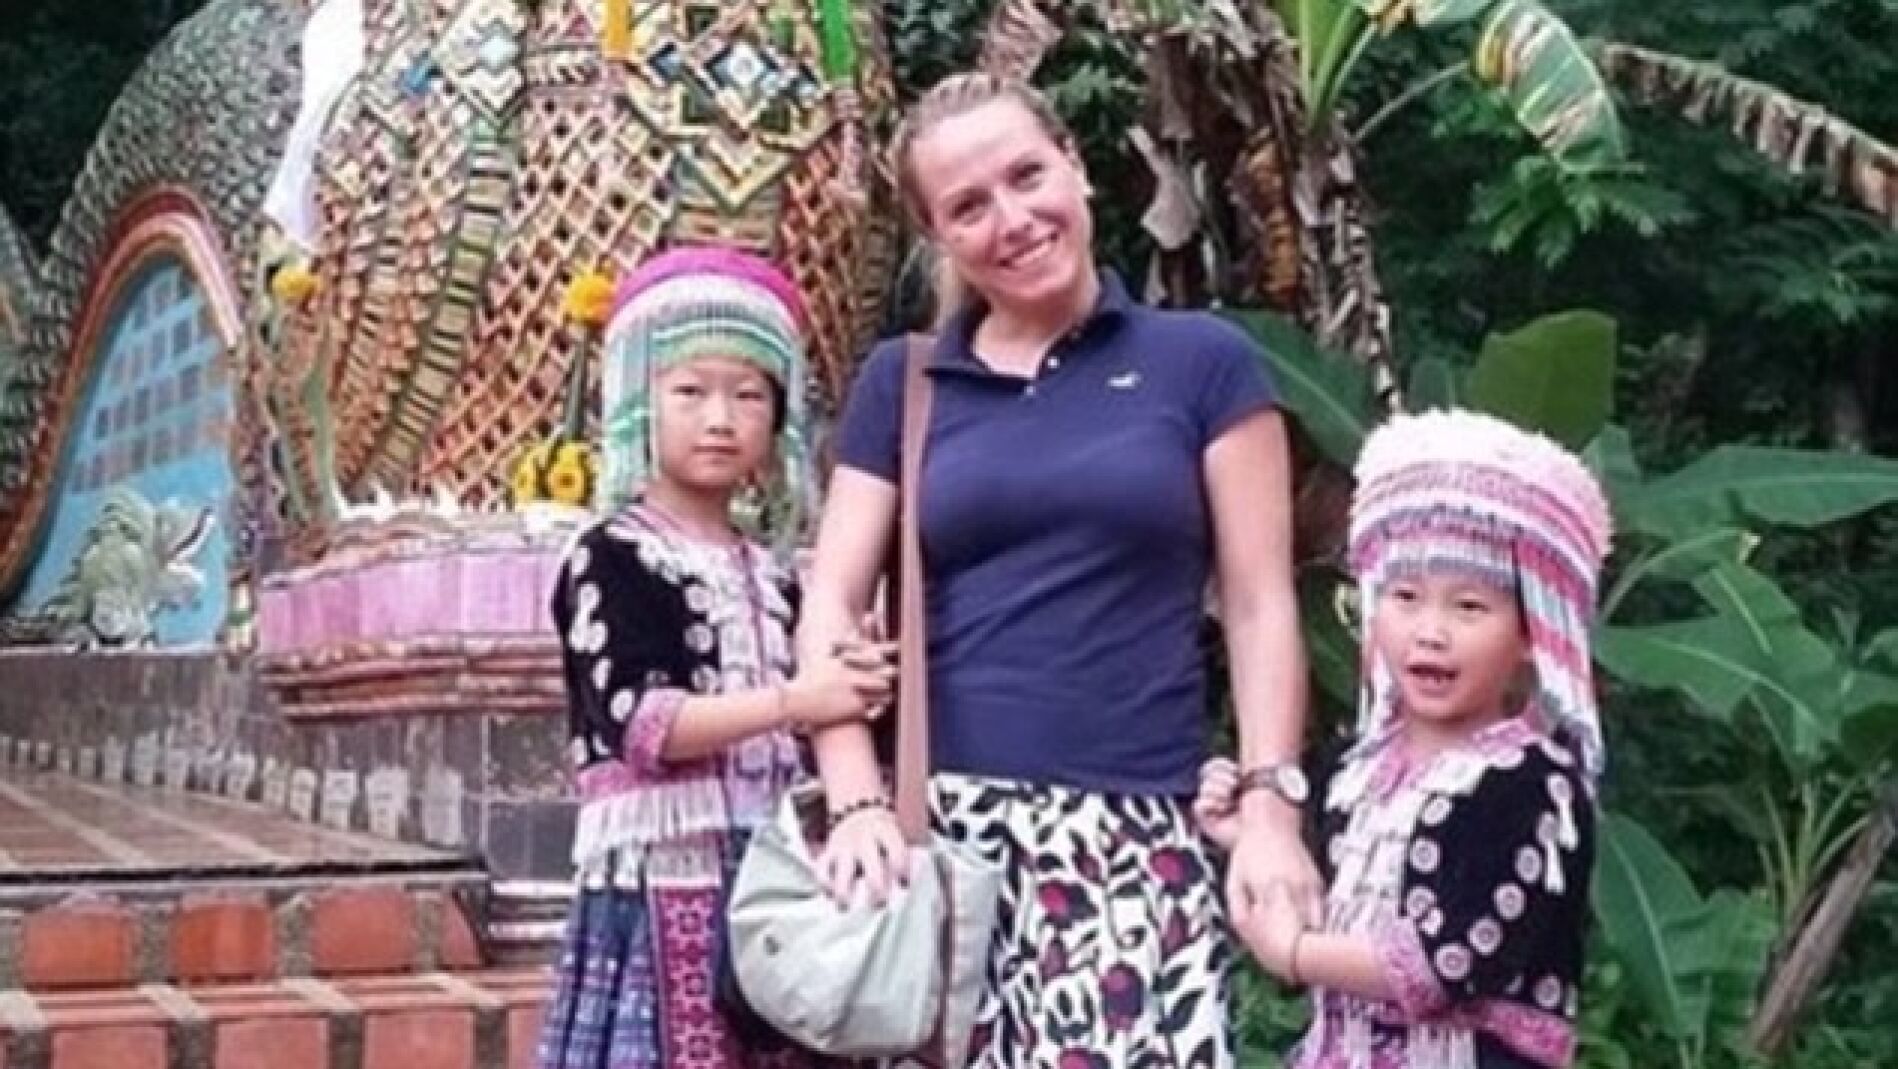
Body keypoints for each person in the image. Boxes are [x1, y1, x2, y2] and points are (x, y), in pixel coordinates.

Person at [798, 72, 1317, 1067]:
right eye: (966, 206)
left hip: (1136, 845)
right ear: (937, 236)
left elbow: (1258, 604)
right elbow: (831, 596)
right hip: (940, 856)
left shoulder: (1201, 362)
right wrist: (855, 795)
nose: (1011, 219)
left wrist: (1268, 811)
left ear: (1074, 167)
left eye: (1025, 175)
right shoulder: (899, 383)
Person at [536, 246, 895, 1069]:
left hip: (776, 874)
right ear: (638, 402)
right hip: (663, 877)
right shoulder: (612, 554)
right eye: (689, 391)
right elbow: (645, 724)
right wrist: (803, 699)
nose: (721, 418)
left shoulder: (776, 572)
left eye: (749, 394)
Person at [1196, 408, 1613, 1069]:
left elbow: (1446, 963)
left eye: (1469, 606)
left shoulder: (1530, 782)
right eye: (1406, 595)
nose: (1430, 630)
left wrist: (1295, 951)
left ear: (1533, 634)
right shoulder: (1355, 768)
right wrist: (1248, 838)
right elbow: (1329, 902)